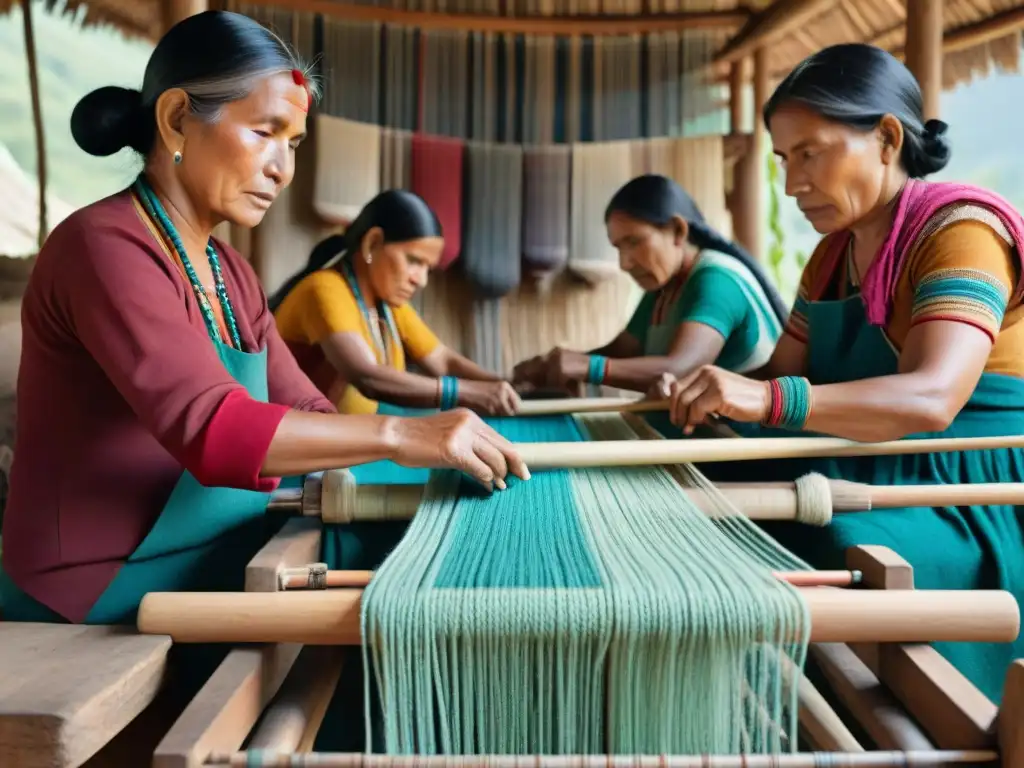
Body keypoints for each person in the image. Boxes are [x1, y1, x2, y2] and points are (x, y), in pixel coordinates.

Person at [0, 10, 526, 631]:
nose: (283, 168)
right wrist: (404, 436)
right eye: (264, 133)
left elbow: (308, 409)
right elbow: (213, 430)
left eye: (294, 143)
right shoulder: (104, 246)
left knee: (427, 553)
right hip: (100, 573)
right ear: (176, 120)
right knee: (391, 611)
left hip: (213, 542)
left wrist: (428, 452)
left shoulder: (228, 269)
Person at [658, 43, 1024, 702]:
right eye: (784, 159)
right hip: (859, 459)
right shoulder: (831, 257)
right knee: (676, 479)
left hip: (967, 482)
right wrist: (708, 402)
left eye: (811, 152)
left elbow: (932, 399)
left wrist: (764, 398)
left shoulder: (962, 232)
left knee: (832, 536)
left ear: (886, 138)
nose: (793, 182)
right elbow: (781, 375)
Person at [511, 175, 788, 399]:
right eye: (618, 248)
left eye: (634, 242)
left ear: (678, 231)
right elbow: (622, 350)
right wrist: (554, 365)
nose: (624, 263)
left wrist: (585, 366)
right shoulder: (664, 288)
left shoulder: (717, 280)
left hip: (754, 448)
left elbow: (680, 368)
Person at [270, 190, 520, 417]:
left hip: (346, 447)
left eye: (428, 269)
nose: (420, 280)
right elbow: (367, 377)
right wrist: (464, 393)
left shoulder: (387, 303)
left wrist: (502, 386)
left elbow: (442, 361)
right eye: (413, 261)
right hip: (305, 457)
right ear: (372, 243)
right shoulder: (324, 289)